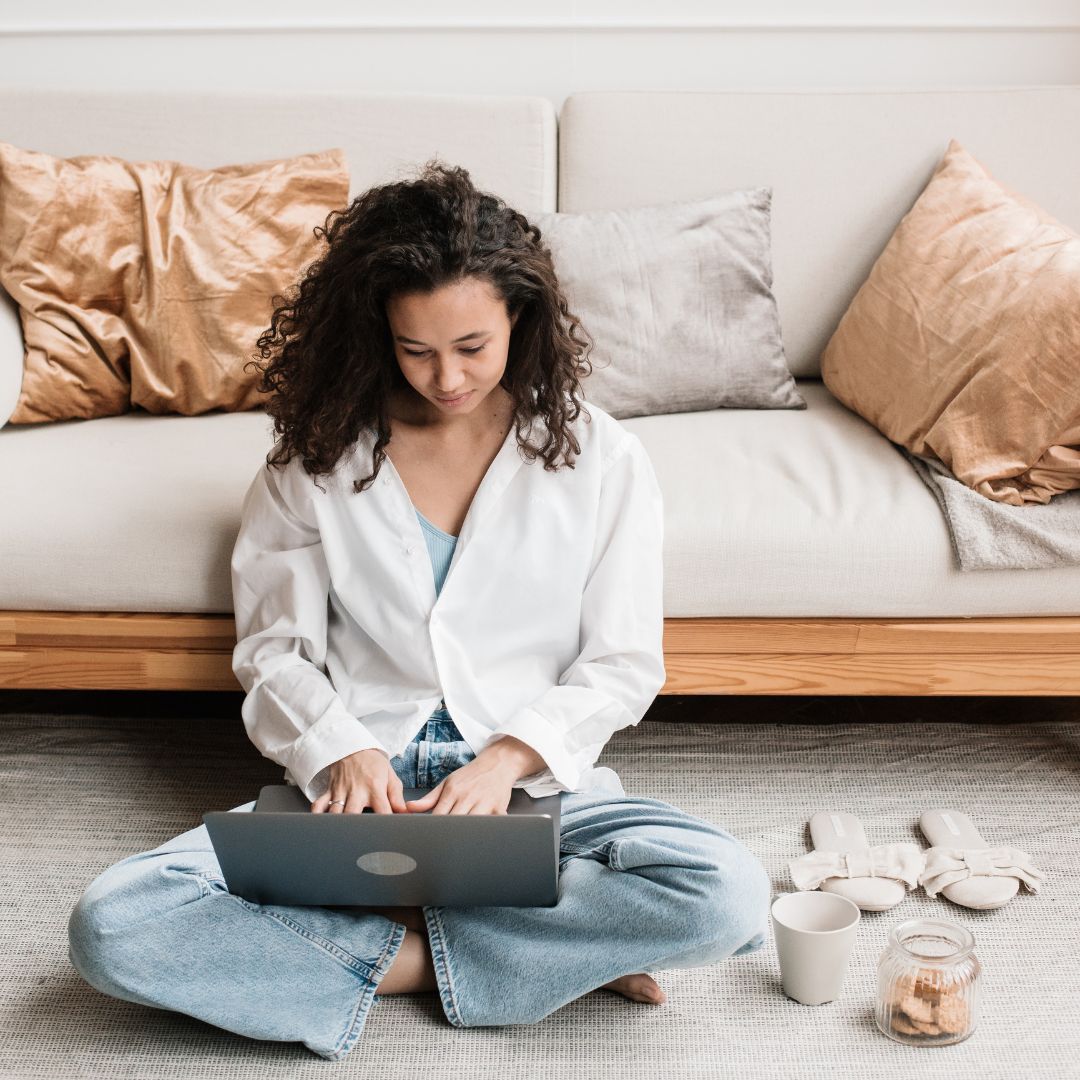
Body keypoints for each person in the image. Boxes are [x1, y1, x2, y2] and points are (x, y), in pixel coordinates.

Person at [66, 160, 771, 1061]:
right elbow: (275, 651)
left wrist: (507, 761)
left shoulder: (603, 460)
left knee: (727, 894)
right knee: (113, 925)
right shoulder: (314, 458)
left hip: (533, 788)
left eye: (473, 346)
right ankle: (525, 959)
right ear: (377, 333)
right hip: (362, 789)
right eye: (417, 349)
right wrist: (341, 748)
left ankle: (383, 949)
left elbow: (623, 661)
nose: (448, 379)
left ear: (521, 317)